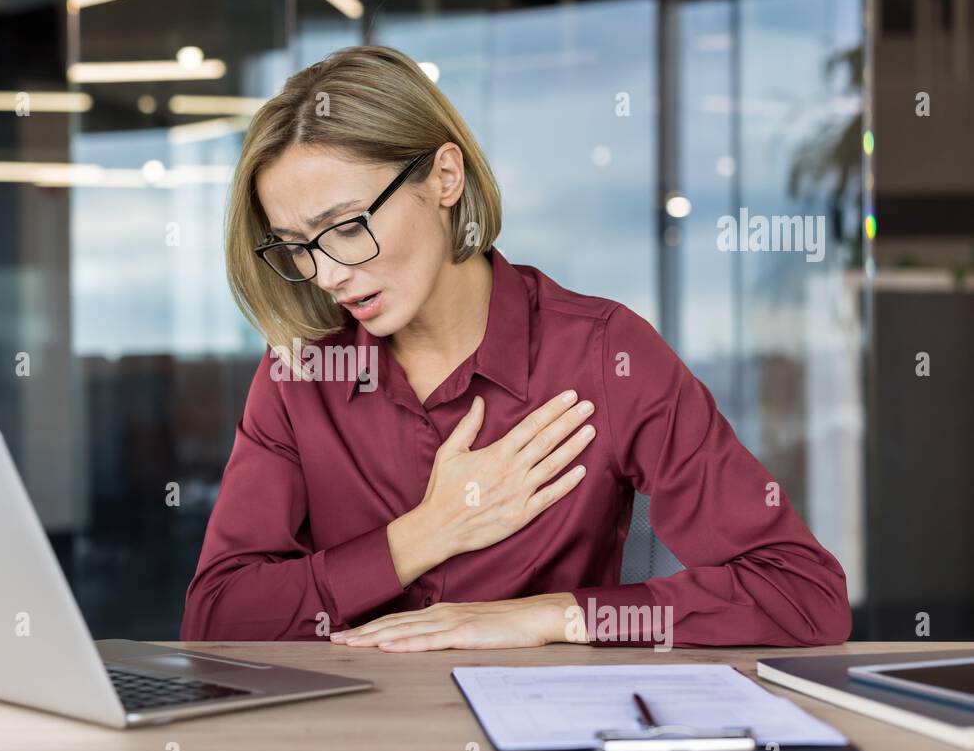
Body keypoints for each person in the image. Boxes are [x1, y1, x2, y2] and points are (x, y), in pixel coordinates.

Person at [179, 45, 851, 651]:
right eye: (295, 247)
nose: (326, 274)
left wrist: (550, 616)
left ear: (444, 177)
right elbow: (216, 620)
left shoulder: (603, 356)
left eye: (347, 228)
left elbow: (801, 592)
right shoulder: (301, 375)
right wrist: (424, 535)